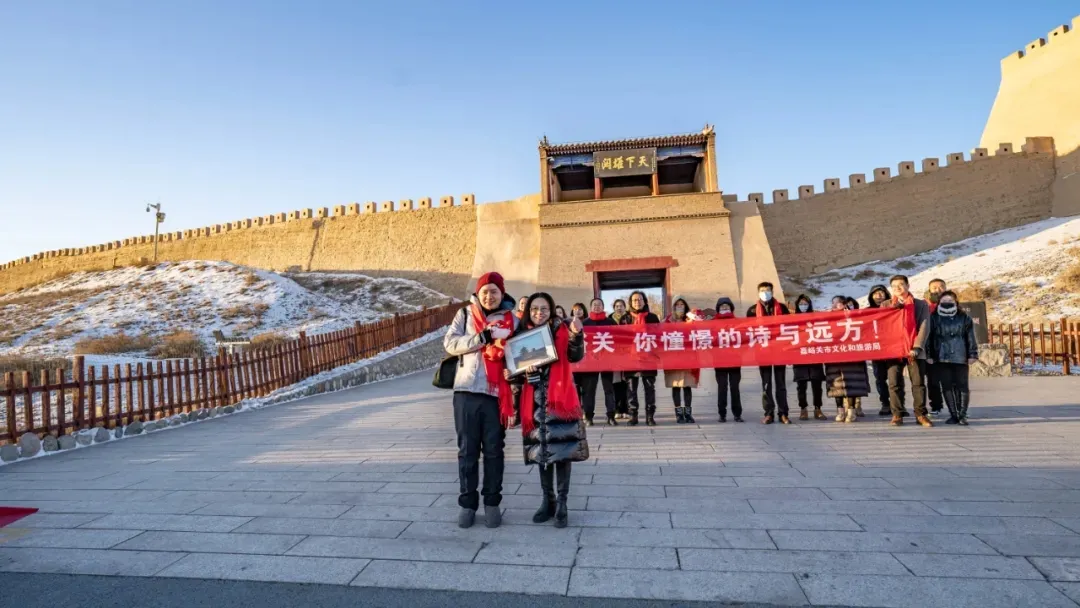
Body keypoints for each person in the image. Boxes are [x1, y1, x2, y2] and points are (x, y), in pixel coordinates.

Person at [505, 292, 588, 528]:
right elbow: (514, 374)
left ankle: (562, 503)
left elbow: (575, 355)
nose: (538, 313)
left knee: (563, 451)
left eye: (543, 308)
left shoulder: (562, 329)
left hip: (560, 399)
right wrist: (516, 373)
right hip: (534, 402)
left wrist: (576, 335)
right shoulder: (521, 335)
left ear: (551, 310)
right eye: (534, 309)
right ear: (528, 311)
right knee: (542, 452)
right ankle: (547, 500)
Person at [443, 271, 517, 529]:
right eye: (485, 291)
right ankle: (468, 503)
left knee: (495, 451)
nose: (489, 296)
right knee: (467, 451)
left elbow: (521, 352)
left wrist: (514, 373)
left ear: (502, 293)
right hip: (466, 391)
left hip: (496, 395)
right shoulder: (465, 314)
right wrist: (481, 338)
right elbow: (450, 343)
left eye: (494, 291)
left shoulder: (513, 319)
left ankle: (492, 502)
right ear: (478, 293)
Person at [885, 275, 933, 428]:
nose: (897, 288)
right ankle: (897, 414)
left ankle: (920, 414)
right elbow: (882, 326)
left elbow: (924, 326)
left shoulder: (920, 304)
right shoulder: (886, 305)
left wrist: (917, 347)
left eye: (901, 284)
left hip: (914, 350)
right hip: (894, 351)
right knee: (894, 383)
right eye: (894, 286)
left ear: (908, 286)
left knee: (918, 383)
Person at [926, 290, 978, 425]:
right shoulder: (933, 317)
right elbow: (929, 338)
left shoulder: (964, 317)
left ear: (956, 302)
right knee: (947, 386)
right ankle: (953, 414)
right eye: (944, 301)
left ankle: (962, 414)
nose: (947, 303)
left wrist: (972, 354)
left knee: (962, 386)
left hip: (960, 355)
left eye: (950, 301)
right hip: (941, 355)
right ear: (939, 302)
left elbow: (970, 337)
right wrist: (929, 354)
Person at [747, 281, 791, 424]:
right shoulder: (752, 311)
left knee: (781, 384)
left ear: (772, 292)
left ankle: (783, 413)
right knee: (766, 384)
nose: (765, 293)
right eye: (762, 290)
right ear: (758, 292)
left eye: (767, 290)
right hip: (763, 352)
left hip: (780, 351)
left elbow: (789, 327)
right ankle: (768, 413)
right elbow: (749, 330)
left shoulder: (782, 308)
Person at [826, 296, 871, 422]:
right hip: (834, 357)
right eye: (835, 303)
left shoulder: (855, 316)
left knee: (852, 384)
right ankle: (840, 411)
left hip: (852, 356)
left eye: (840, 303)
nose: (837, 305)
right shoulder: (828, 318)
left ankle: (851, 410)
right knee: (837, 386)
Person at [577, 300, 618, 426]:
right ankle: (589, 416)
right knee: (589, 390)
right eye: (594, 305)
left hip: (607, 360)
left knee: (609, 389)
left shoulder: (611, 322)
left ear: (603, 307)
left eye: (599, 305)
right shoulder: (585, 323)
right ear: (590, 307)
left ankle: (611, 416)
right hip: (590, 362)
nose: (597, 307)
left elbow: (618, 339)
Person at [623, 290, 660, 426]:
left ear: (645, 301)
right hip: (631, 359)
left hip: (649, 358)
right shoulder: (625, 319)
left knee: (649, 388)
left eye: (640, 299)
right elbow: (620, 339)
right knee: (631, 389)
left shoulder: (653, 318)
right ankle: (633, 415)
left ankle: (650, 416)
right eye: (634, 300)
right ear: (630, 303)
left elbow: (659, 336)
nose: (637, 302)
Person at [867, 284, 903, 417]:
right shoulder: (867, 311)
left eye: (881, 293)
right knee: (880, 379)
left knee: (896, 379)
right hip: (877, 351)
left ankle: (899, 405)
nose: (879, 296)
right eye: (875, 293)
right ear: (871, 296)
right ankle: (885, 403)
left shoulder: (894, 307)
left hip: (893, 349)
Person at [663, 296, 699, 424]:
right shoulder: (667, 321)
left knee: (687, 386)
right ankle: (678, 414)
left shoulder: (691, 320)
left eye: (682, 304)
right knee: (676, 386)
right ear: (673, 307)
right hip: (673, 359)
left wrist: (695, 320)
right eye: (677, 305)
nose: (679, 307)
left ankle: (688, 414)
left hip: (688, 358)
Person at [792, 294, 827, 421]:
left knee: (817, 385)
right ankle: (803, 409)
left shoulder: (816, 318)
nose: (803, 306)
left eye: (805, 304)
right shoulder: (792, 320)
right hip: (799, 356)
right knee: (801, 386)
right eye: (801, 304)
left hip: (814, 355)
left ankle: (818, 408)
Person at [713, 297, 743, 422]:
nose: (724, 308)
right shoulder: (712, 323)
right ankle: (722, 413)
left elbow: (743, 337)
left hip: (735, 360)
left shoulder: (737, 322)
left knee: (735, 387)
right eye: (722, 306)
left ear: (731, 308)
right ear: (718, 309)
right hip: (719, 360)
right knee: (722, 387)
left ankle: (737, 413)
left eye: (727, 306)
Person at [924, 278, 948, 417]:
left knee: (952, 380)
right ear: (929, 289)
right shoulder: (923, 305)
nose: (938, 290)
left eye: (941, 287)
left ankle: (956, 407)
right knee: (933, 380)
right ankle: (936, 405)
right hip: (931, 348)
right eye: (934, 287)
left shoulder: (953, 304)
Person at [609, 299, 631, 420]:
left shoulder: (629, 318)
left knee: (627, 384)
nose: (619, 308)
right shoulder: (609, 319)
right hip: (614, 356)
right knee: (616, 384)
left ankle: (626, 410)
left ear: (624, 307)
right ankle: (617, 409)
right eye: (617, 306)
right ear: (614, 308)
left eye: (621, 306)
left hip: (627, 355)